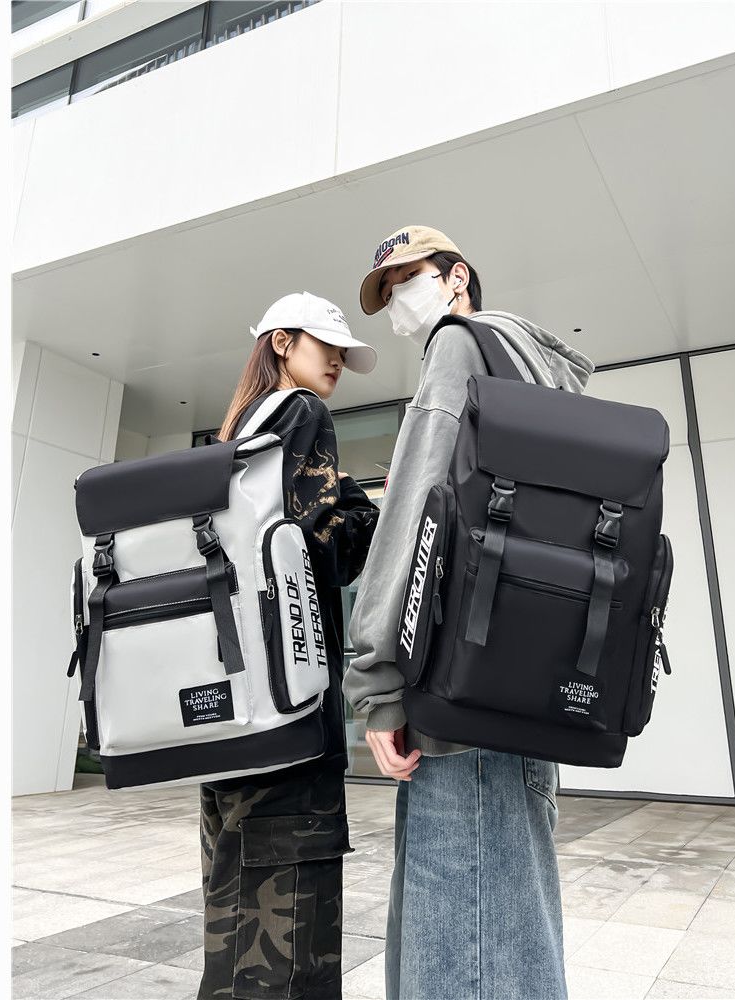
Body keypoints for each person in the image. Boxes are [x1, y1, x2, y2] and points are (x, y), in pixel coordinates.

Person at [343, 226, 595, 1000]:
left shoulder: (458, 346)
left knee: (458, 959)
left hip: (460, 703)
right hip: (521, 696)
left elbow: (416, 511)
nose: (399, 302)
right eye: (387, 294)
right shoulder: (532, 367)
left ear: (456, 278)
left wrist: (375, 681)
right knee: (514, 940)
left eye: (408, 279)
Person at [198, 291, 381, 1000]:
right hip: (291, 725)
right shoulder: (301, 413)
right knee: (292, 950)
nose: (337, 360)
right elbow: (319, 553)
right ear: (282, 343)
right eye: (326, 344)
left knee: (233, 938)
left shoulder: (236, 436)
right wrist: (367, 511)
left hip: (233, 724)